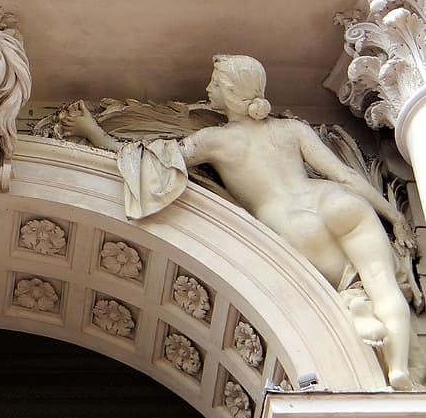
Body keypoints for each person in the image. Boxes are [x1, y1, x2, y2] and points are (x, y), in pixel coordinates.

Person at [64, 54, 418, 390]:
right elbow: (343, 175)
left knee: (334, 291)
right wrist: (395, 219)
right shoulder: (292, 129)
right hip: (335, 201)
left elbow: (150, 161)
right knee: (382, 283)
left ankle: (352, 302)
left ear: (230, 93)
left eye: (215, 84)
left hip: (289, 226)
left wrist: (92, 130)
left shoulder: (215, 141)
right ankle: (398, 367)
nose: (207, 90)